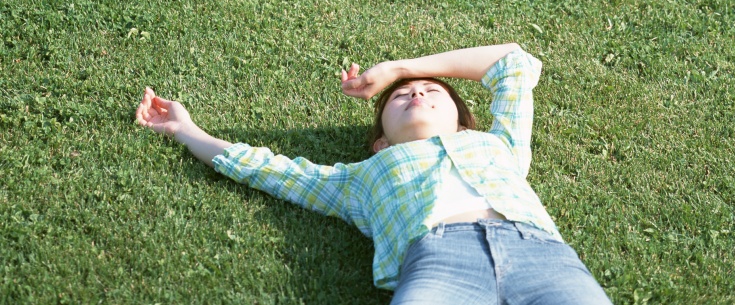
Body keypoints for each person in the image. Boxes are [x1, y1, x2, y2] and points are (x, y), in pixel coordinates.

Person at [135, 42, 612, 303]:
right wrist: (186, 130)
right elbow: (270, 170)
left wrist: (401, 68)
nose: (417, 94)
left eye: (432, 91)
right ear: (381, 141)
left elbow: (510, 62)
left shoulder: (500, 147)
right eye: (401, 97)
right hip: (439, 266)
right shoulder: (362, 178)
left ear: (464, 123)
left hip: (543, 257)